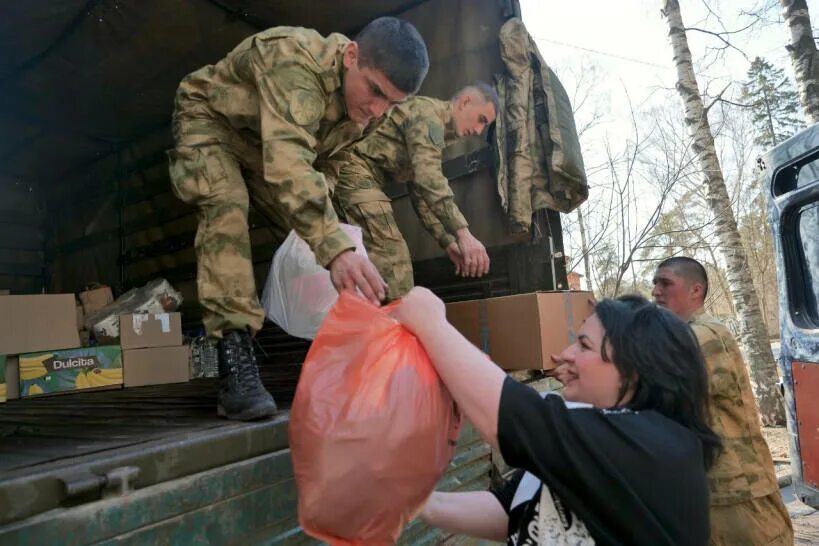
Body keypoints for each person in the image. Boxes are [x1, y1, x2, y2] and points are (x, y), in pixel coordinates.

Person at [168, 18, 429, 420]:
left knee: (310, 234)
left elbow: (330, 162)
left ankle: (324, 353)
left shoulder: (369, 108)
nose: (378, 110)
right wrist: (333, 247)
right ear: (351, 56)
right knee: (227, 206)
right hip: (212, 123)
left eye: (392, 103)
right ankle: (235, 356)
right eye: (375, 91)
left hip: (266, 148)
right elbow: (289, 163)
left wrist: (323, 234)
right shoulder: (295, 59)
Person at [393, 289, 721, 545]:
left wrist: (431, 323)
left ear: (633, 371)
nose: (565, 355)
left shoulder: (656, 447)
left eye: (583, 345)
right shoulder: (595, 433)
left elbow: (515, 419)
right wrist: (419, 504)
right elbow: (512, 509)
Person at [652, 256, 794, 545]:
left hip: (739, 490)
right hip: (709, 489)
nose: (656, 291)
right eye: (654, 283)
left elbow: (648, 375)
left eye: (665, 283)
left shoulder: (707, 335)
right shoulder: (680, 335)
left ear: (696, 290)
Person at [319, 84, 497, 300]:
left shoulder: (437, 132)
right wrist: (463, 234)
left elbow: (420, 191)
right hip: (352, 168)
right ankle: (398, 325)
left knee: (370, 260)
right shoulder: (428, 115)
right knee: (392, 256)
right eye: (481, 120)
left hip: (357, 173)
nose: (478, 131)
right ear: (465, 102)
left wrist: (447, 240)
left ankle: (376, 323)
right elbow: (428, 179)